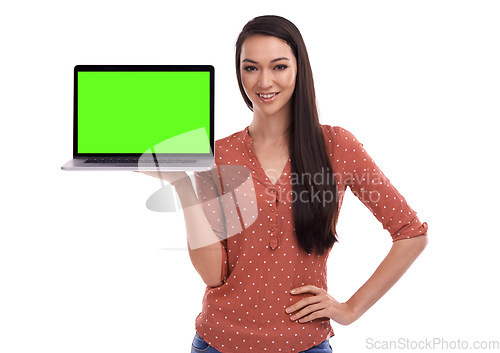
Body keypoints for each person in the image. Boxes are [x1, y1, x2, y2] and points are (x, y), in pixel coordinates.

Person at [141, 15, 429, 353]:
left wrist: (348, 310)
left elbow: (411, 233)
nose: (264, 81)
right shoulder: (218, 154)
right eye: (251, 68)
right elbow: (213, 275)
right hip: (218, 343)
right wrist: (181, 184)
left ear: (299, 69)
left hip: (305, 344)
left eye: (278, 66)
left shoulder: (337, 147)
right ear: (239, 73)